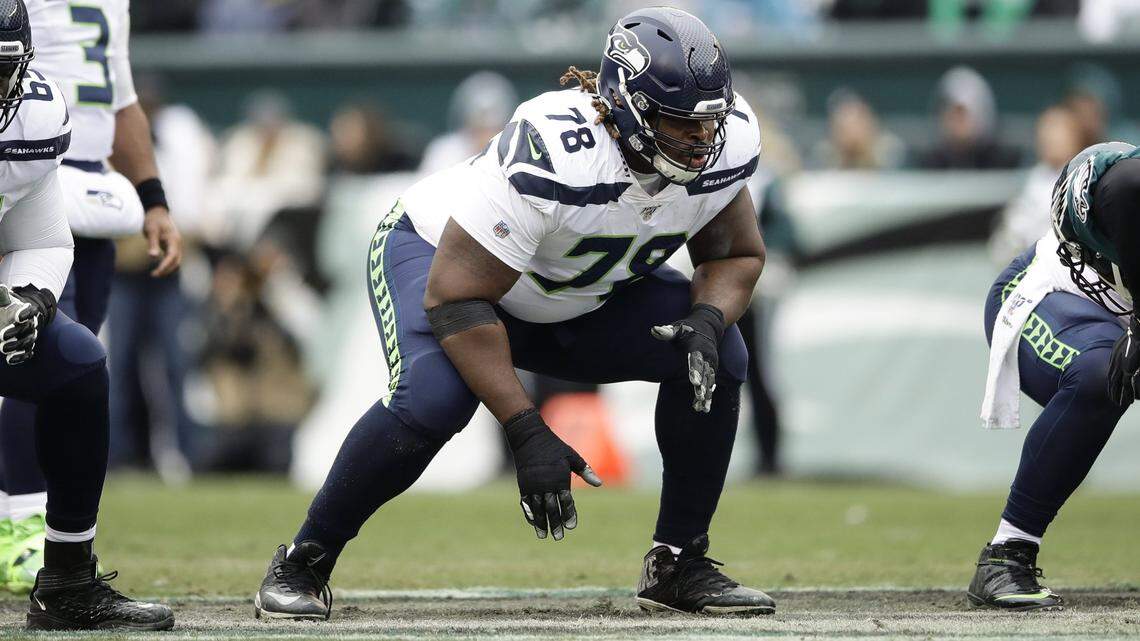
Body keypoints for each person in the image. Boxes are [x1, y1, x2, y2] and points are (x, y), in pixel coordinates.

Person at [253, 7, 774, 620]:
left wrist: (709, 318)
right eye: (680, 123)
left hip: (574, 286)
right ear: (625, 105)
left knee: (718, 353)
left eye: (709, 122)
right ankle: (303, 561)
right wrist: (525, 427)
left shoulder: (726, 142)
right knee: (433, 399)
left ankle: (678, 562)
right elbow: (454, 299)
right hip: (443, 260)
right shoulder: (555, 149)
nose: (700, 140)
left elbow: (736, 253)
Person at [0, 0, 183, 594]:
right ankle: (16, 516)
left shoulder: (34, 115)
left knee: (71, 360)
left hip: (65, 182)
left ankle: (62, 562)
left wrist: (27, 300)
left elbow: (45, 239)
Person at [976, 141, 1140, 610]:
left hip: (1117, 315)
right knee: (1098, 373)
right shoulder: (1128, 184)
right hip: (1052, 294)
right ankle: (1008, 551)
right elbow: (1115, 183)